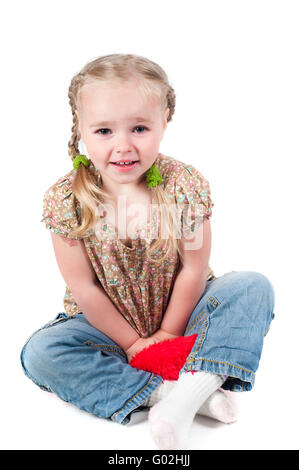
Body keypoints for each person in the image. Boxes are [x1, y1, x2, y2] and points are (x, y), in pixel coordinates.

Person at [20, 53, 275, 450]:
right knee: (40, 353)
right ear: (81, 129)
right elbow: (84, 288)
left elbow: (194, 268)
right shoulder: (67, 198)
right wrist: (136, 345)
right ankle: (175, 395)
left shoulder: (182, 185)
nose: (123, 146)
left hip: (184, 315)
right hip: (106, 327)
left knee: (252, 286)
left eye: (139, 128)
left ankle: (191, 382)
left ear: (164, 122)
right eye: (104, 131)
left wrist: (169, 334)